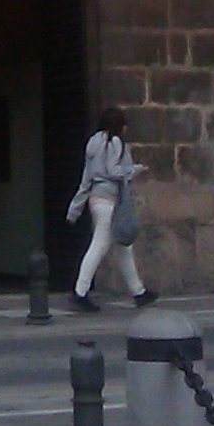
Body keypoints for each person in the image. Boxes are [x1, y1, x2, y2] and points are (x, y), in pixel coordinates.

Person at [66, 106, 158, 312]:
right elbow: (113, 170)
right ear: (119, 126)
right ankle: (80, 292)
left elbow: (86, 179)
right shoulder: (115, 142)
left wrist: (75, 208)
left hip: (96, 199)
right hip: (109, 201)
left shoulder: (93, 143)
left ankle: (138, 291)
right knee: (99, 246)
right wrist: (135, 169)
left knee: (124, 246)